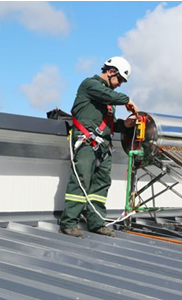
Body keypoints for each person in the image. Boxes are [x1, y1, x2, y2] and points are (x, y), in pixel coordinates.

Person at [59, 56, 138, 238]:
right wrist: (127, 100)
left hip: (103, 144)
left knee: (102, 183)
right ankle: (69, 223)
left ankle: (96, 222)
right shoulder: (90, 85)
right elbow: (108, 95)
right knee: (82, 179)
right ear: (111, 72)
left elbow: (108, 123)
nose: (119, 84)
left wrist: (124, 125)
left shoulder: (108, 101)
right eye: (120, 80)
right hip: (86, 141)